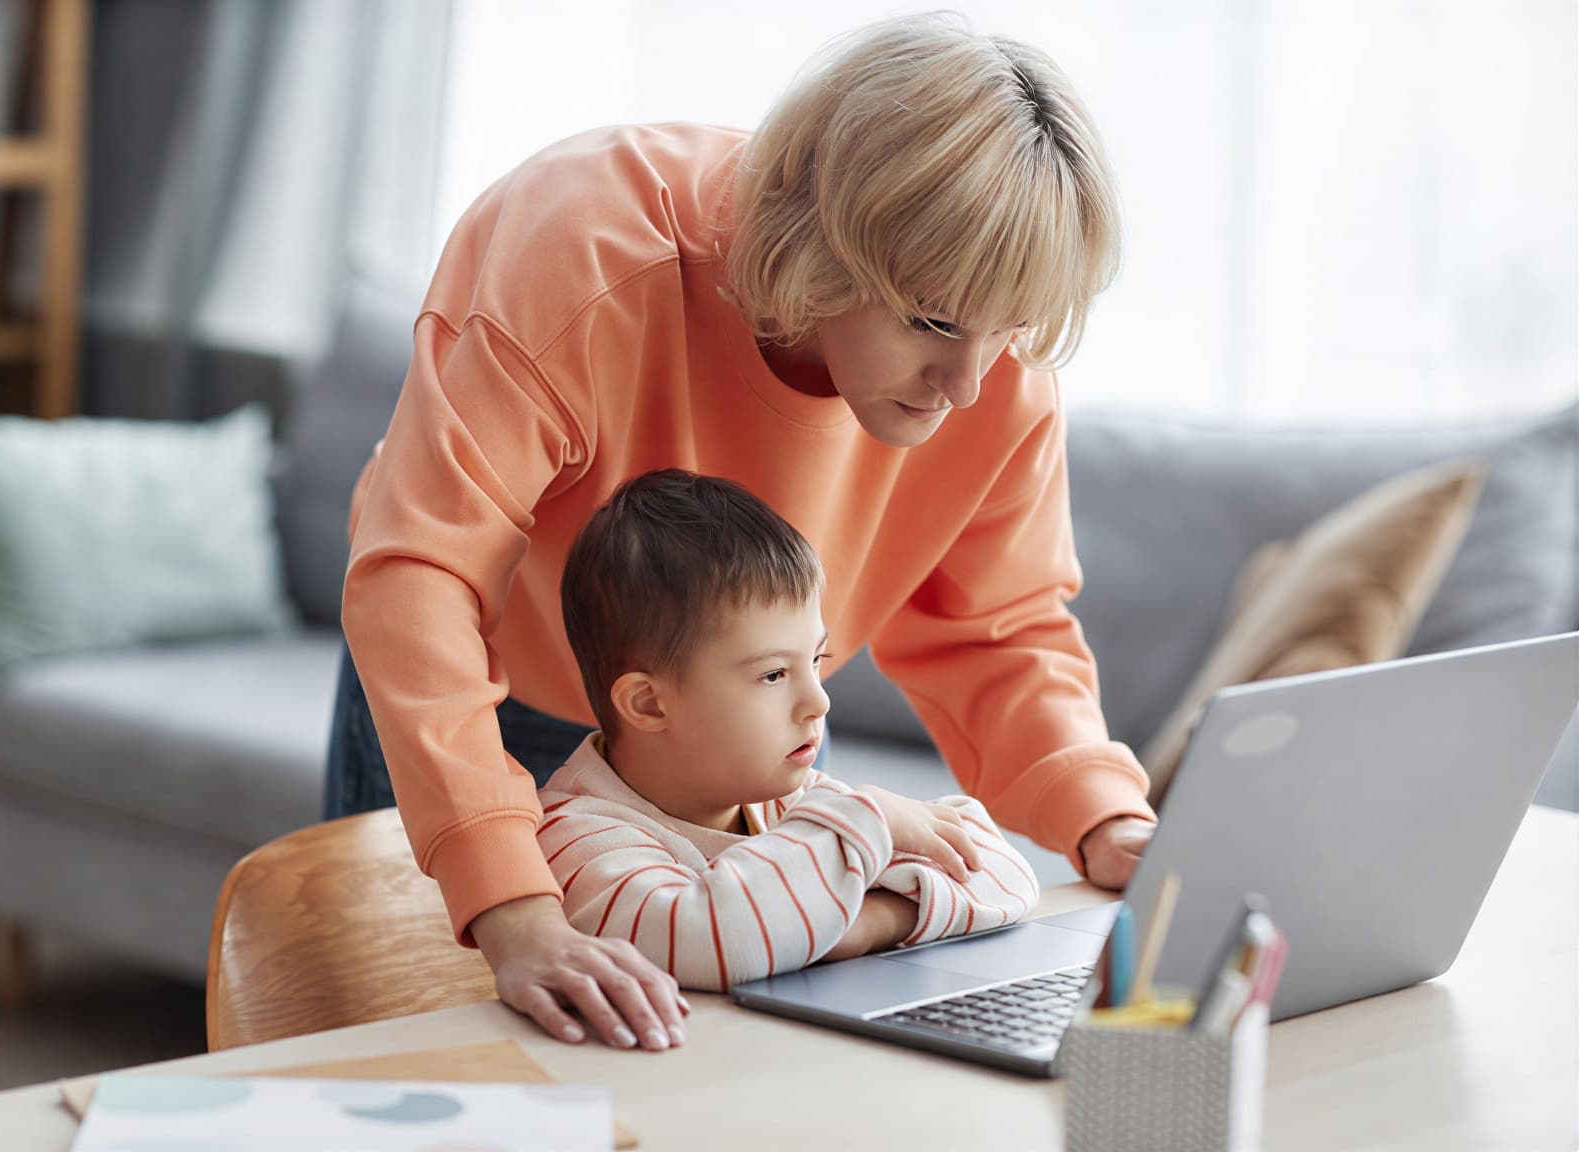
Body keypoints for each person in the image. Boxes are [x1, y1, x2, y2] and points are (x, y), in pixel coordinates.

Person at [330, 12, 1158, 1053]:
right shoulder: (582, 245)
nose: (968, 385)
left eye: (1013, 330)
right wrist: (515, 911)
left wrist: (1107, 820)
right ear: (823, 243)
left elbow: (997, 628)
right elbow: (421, 576)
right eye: (935, 321)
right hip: (482, 705)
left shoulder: (994, 370)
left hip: (755, 726)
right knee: (425, 1067)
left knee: (734, 1075)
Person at [541, 469, 1041, 991]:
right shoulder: (573, 839)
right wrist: (869, 823)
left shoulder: (793, 803)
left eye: (817, 661)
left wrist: (867, 925)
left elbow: (1004, 874)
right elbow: (711, 938)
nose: (819, 701)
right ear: (649, 704)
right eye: (774, 675)